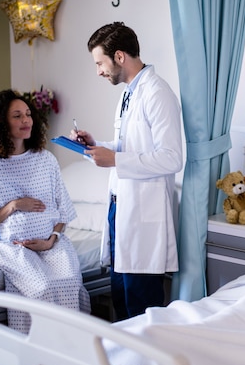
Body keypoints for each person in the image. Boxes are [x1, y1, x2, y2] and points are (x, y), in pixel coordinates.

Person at [70, 22, 183, 321]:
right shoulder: (128, 95)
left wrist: (116, 160)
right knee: (121, 304)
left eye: (99, 63)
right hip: (119, 210)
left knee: (140, 310)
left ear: (119, 56)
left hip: (142, 216)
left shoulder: (157, 93)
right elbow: (129, 147)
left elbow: (172, 158)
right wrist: (95, 146)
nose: (98, 72)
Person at [0, 89, 91, 333]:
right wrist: (13, 206)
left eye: (28, 114)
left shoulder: (46, 160)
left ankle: (72, 350)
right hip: (11, 246)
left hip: (52, 243)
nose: (26, 120)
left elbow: (63, 212)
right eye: (17, 116)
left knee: (69, 282)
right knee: (41, 288)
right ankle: (37, 353)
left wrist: (51, 240)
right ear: (1, 122)